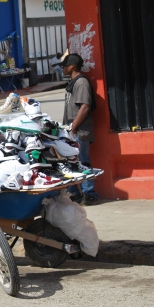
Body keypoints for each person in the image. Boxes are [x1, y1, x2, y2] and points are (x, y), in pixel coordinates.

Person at [61, 54, 99, 205]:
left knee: (83, 161)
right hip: (71, 131)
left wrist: (74, 127)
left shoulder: (81, 82)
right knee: (70, 162)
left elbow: (85, 107)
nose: (62, 68)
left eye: (64, 65)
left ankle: (90, 194)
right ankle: (75, 193)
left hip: (79, 131)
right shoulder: (73, 82)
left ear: (72, 66)